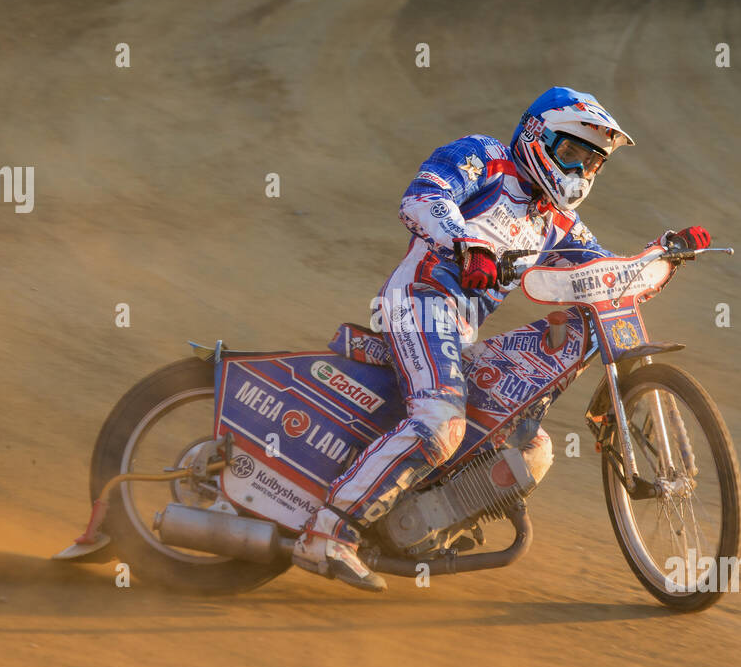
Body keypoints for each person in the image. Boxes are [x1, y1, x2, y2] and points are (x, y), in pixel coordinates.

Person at [292, 86, 711, 591]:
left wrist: (662, 256)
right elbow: (423, 197)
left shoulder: (559, 223)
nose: (580, 171)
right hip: (419, 300)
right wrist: (466, 244)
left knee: (531, 448)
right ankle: (327, 530)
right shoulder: (485, 157)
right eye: (572, 153)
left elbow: (602, 274)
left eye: (592, 163)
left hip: (460, 332)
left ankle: (422, 523)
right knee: (440, 422)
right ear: (538, 136)